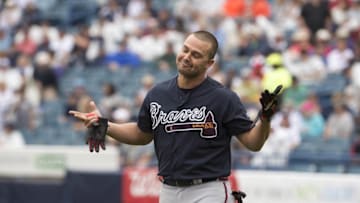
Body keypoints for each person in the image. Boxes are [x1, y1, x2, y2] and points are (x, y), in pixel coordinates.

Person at [69, 30, 278, 203]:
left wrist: (265, 119)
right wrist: (106, 125)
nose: (187, 57)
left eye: (196, 54)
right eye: (185, 50)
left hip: (208, 189)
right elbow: (142, 134)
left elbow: (253, 143)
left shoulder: (223, 98)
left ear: (209, 63)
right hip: (168, 190)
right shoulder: (158, 94)